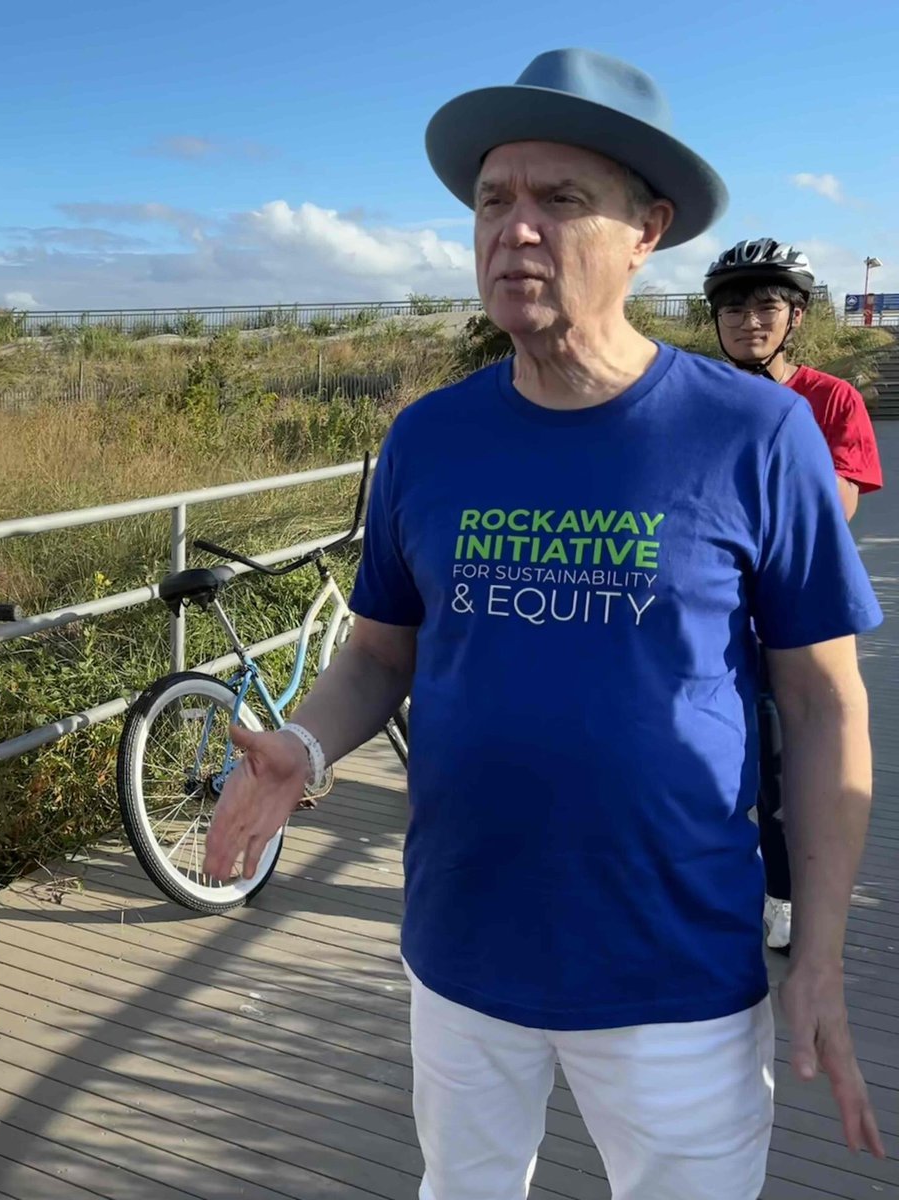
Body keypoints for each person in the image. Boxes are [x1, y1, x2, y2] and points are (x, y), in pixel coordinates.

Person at [204, 48, 886, 1198]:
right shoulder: (428, 438)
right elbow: (380, 653)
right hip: (462, 954)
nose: (514, 229)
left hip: (676, 970)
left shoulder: (756, 436)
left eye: (559, 199)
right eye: (491, 200)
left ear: (644, 230)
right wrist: (304, 746)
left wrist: (815, 958)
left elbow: (824, 703)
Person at [705, 239, 884, 954]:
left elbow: (834, 504)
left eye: (767, 306)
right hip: (707, 619)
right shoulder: (701, 396)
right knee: (706, 761)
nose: (751, 320)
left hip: (788, 618)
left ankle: (782, 895)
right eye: (735, 307)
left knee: (783, 772)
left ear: (796, 317)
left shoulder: (829, 398)